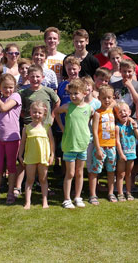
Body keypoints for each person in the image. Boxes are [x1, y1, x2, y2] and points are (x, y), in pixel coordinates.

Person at [53, 78, 93, 209]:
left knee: (80, 172)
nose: (73, 96)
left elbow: (88, 121)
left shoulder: (89, 109)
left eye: (76, 93)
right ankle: (66, 198)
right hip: (70, 144)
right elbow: (56, 112)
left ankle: (77, 197)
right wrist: (62, 127)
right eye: (71, 93)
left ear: (84, 93)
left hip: (82, 144)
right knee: (70, 173)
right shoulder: (67, 107)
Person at [0, 73, 22, 205]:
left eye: (10, 87)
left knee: (11, 166)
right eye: (5, 87)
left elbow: (4, 108)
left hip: (12, 137)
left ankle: (10, 193)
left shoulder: (15, 96)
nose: (8, 90)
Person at [18, 101, 55, 210]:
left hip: (43, 157)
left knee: (43, 179)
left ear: (44, 114)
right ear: (30, 112)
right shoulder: (26, 128)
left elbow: (52, 142)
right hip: (30, 157)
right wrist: (20, 155)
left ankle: (45, 200)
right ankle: (27, 202)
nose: (37, 115)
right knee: (30, 180)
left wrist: (52, 155)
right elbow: (22, 143)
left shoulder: (47, 127)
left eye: (39, 113)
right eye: (34, 112)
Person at [90, 85, 118, 203]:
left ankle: (111, 193)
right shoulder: (97, 113)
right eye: (104, 98)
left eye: (109, 98)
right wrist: (98, 148)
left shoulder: (113, 111)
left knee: (111, 171)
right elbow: (95, 132)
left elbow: (123, 112)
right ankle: (92, 195)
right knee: (95, 171)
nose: (107, 100)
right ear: (99, 99)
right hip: (100, 146)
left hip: (112, 146)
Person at [115, 102, 138, 202]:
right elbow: (117, 141)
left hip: (131, 153)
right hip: (122, 154)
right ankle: (120, 193)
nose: (122, 113)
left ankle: (129, 192)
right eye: (120, 112)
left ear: (129, 112)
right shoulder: (117, 127)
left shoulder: (132, 125)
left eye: (124, 111)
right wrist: (121, 154)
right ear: (117, 115)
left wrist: (135, 127)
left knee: (129, 174)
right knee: (120, 174)